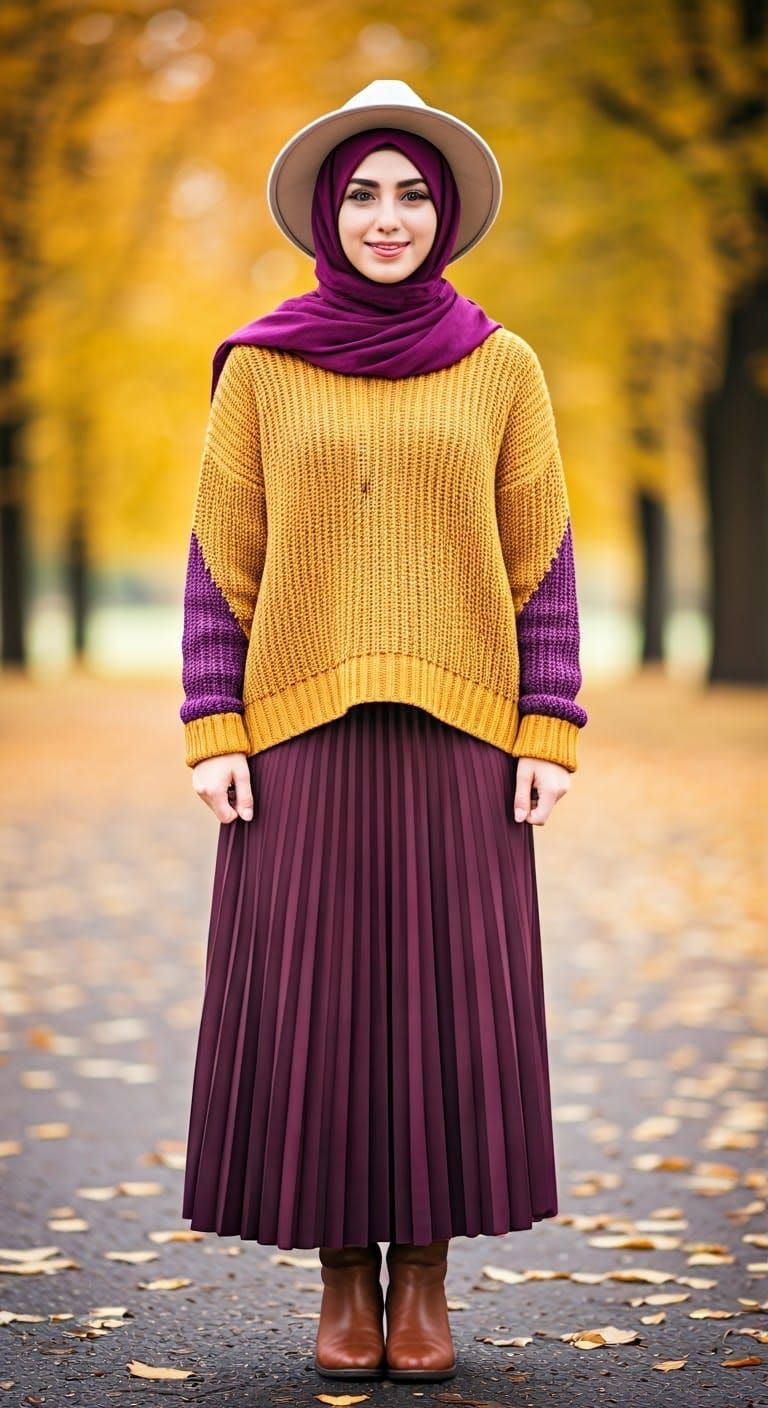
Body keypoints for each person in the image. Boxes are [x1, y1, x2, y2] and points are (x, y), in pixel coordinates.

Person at [178, 78, 588, 1384]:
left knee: (446, 1024)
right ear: (325, 212)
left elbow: (544, 563)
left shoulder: (502, 363)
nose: (388, 215)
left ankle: (426, 1284)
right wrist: (213, 725)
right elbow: (218, 565)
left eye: (412, 192)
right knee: (321, 1022)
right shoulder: (260, 366)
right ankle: (341, 1285)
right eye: (363, 192)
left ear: (447, 212)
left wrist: (549, 725)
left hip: (463, 743)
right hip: (297, 741)